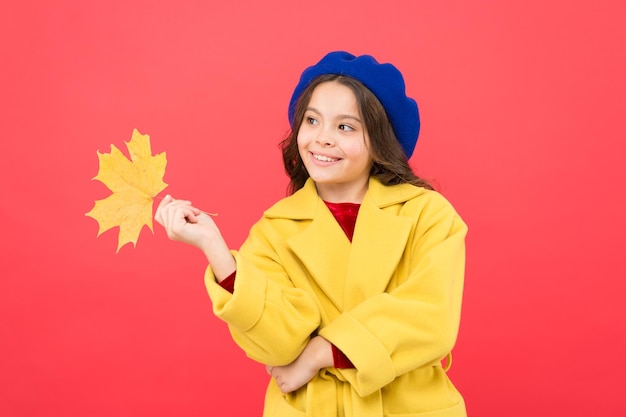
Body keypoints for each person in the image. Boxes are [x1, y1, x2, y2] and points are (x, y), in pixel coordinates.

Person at [155, 51, 468, 417]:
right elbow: (278, 345)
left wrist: (320, 353)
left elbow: (430, 317)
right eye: (312, 120)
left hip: (410, 405)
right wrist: (215, 248)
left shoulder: (428, 215)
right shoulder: (275, 229)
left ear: (381, 140)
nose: (322, 139)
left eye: (345, 127)